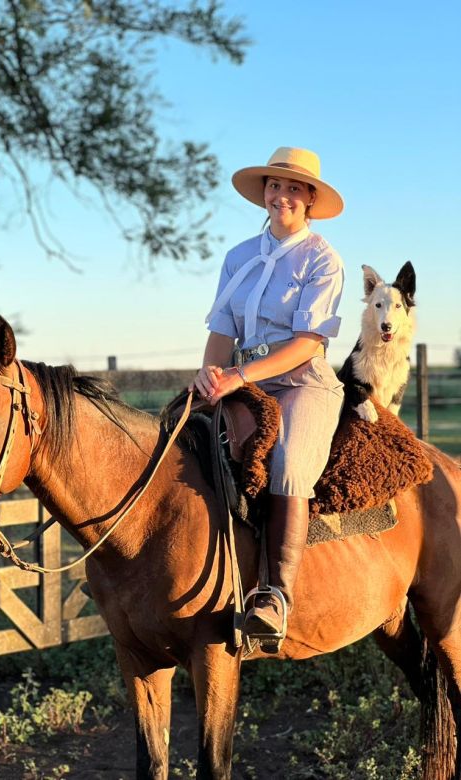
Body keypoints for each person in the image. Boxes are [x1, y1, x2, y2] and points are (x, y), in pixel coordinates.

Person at [191, 146, 345, 647]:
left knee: (288, 462)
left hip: (301, 379)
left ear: (310, 199)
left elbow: (307, 343)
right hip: (241, 374)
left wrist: (239, 375)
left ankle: (274, 596)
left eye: (294, 187)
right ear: (264, 194)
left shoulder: (322, 258)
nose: (282, 194)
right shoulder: (239, 258)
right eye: (275, 186)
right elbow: (221, 329)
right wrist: (210, 375)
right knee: (180, 437)